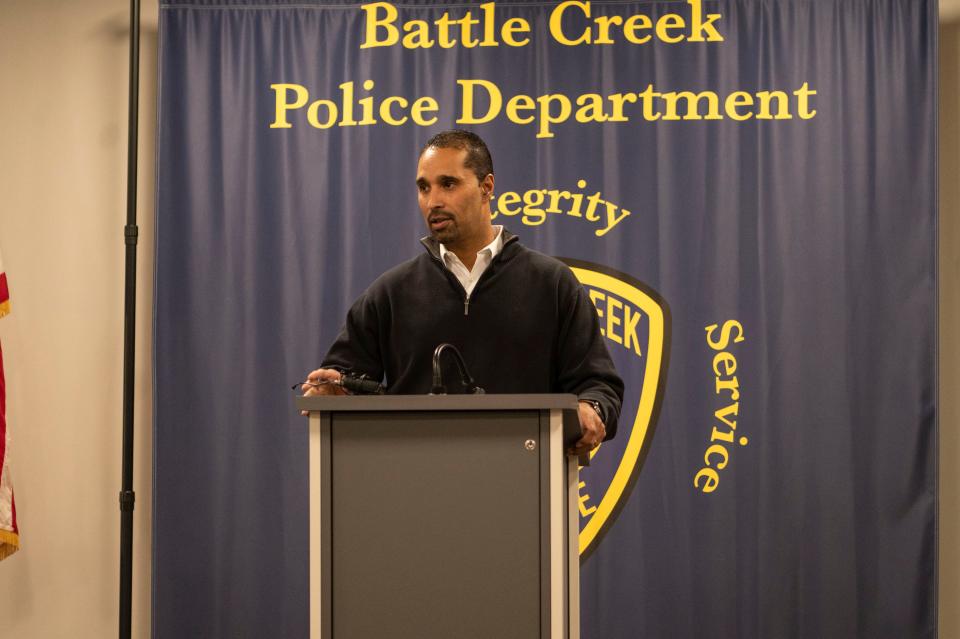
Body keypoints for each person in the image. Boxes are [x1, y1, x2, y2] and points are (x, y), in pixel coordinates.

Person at [301, 130, 623, 455]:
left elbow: (599, 385)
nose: (433, 201)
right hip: (411, 485)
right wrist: (333, 393)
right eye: (424, 188)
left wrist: (591, 409)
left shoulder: (552, 284)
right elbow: (343, 380)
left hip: (527, 484)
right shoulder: (390, 293)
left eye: (448, 184)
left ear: (487, 187)